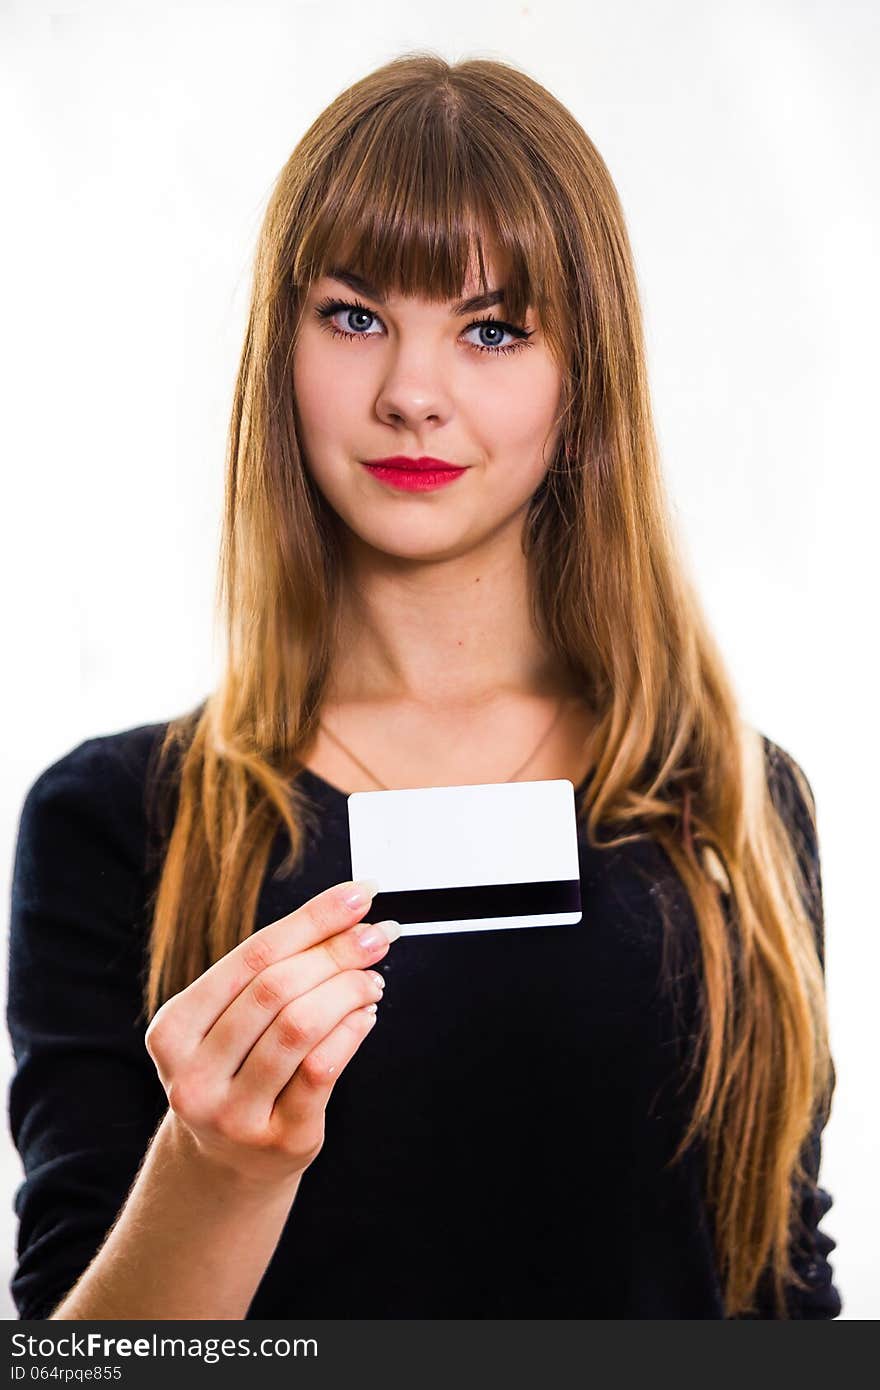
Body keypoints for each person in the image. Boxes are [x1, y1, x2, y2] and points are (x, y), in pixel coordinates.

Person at [6, 51, 841, 1321]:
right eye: (354, 315)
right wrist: (216, 1169)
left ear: (584, 381)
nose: (410, 392)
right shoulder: (117, 821)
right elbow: (84, 1357)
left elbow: (784, 1298)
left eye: (491, 329)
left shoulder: (728, 802)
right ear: (279, 350)